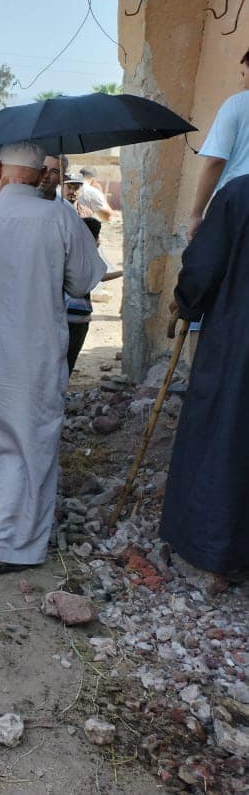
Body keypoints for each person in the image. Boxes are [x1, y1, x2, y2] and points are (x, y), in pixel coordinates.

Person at [0, 141, 105, 574]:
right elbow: (85, 281)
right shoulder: (60, 217)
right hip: (31, 356)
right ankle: (3, 545)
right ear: (40, 175)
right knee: (27, 443)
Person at [161, 174, 249, 583]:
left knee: (225, 437)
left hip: (238, 341)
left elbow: (204, 266)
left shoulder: (239, 193)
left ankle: (213, 549)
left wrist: (187, 300)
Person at [187, 49, 249, 241]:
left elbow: (215, 160)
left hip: (238, 201)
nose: (242, 78)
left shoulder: (237, 104)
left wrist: (196, 214)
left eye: (244, 72)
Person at [65, 217, 124, 375]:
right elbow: (99, 275)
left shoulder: (66, 250)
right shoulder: (84, 255)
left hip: (62, 315)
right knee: (69, 359)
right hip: (78, 317)